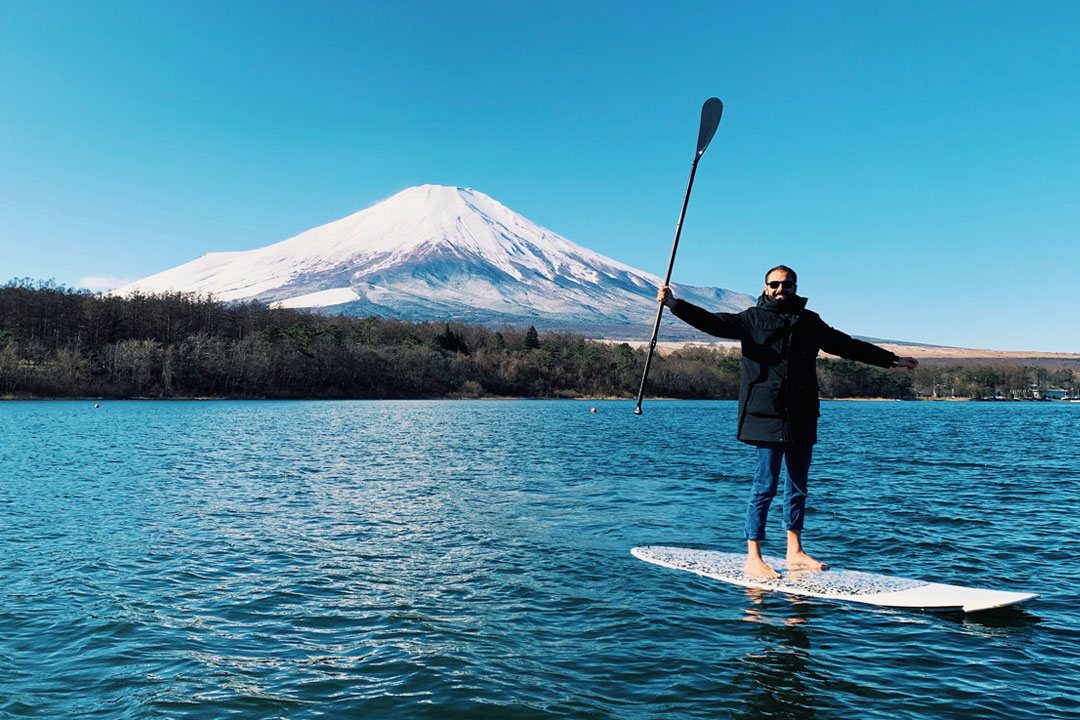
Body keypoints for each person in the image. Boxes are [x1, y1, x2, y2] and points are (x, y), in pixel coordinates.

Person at [657, 265, 917, 579]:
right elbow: (713, 322)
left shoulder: (810, 322)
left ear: (795, 287)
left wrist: (892, 360)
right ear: (766, 287)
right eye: (775, 284)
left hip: (803, 413)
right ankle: (753, 555)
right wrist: (674, 304)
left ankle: (794, 551)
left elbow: (847, 345)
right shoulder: (750, 319)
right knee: (764, 485)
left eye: (787, 285)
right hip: (764, 413)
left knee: (798, 485)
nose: (781, 290)